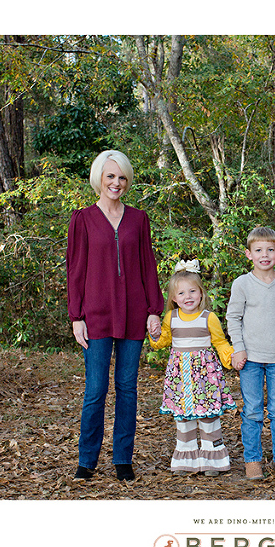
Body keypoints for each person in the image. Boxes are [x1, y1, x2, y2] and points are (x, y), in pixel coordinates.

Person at [66, 149, 164, 481]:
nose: (116, 182)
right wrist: (76, 315)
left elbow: (148, 266)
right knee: (95, 388)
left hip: (134, 312)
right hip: (96, 314)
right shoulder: (82, 219)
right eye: (110, 176)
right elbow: (75, 270)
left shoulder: (139, 218)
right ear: (99, 179)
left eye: (121, 177)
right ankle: (87, 460)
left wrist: (154, 309)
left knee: (127, 386)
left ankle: (123, 458)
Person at [149, 260, 236, 476]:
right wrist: (155, 334)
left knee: (208, 416)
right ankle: (186, 460)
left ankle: (212, 461)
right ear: (173, 298)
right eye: (181, 293)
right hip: (180, 378)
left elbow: (220, 342)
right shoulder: (171, 318)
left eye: (192, 291)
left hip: (205, 378)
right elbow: (163, 342)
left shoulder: (209, 318)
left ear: (201, 293)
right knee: (184, 417)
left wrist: (231, 358)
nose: (187, 297)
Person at [226, 227, 275, 480]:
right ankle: (252, 460)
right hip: (251, 358)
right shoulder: (242, 284)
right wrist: (238, 348)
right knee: (253, 410)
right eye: (258, 250)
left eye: (270, 250)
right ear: (249, 254)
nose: (264, 255)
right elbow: (233, 317)